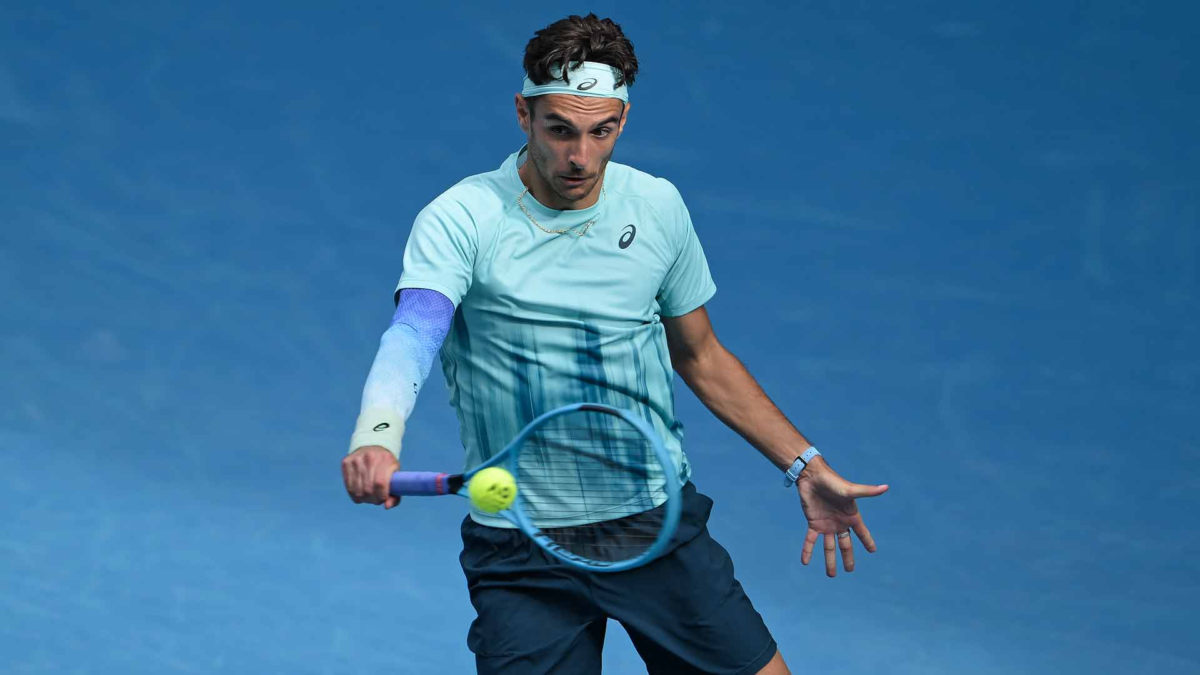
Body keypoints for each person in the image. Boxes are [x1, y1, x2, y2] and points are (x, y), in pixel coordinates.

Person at [341, 13, 889, 675]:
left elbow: (701, 356)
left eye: (600, 130)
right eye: (560, 130)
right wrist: (377, 434)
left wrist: (803, 463)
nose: (580, 156)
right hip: (521, 544)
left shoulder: (656, 207)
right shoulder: (462, 217)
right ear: (523, 114)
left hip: (651, 523)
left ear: (623, 119)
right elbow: (415, 332)